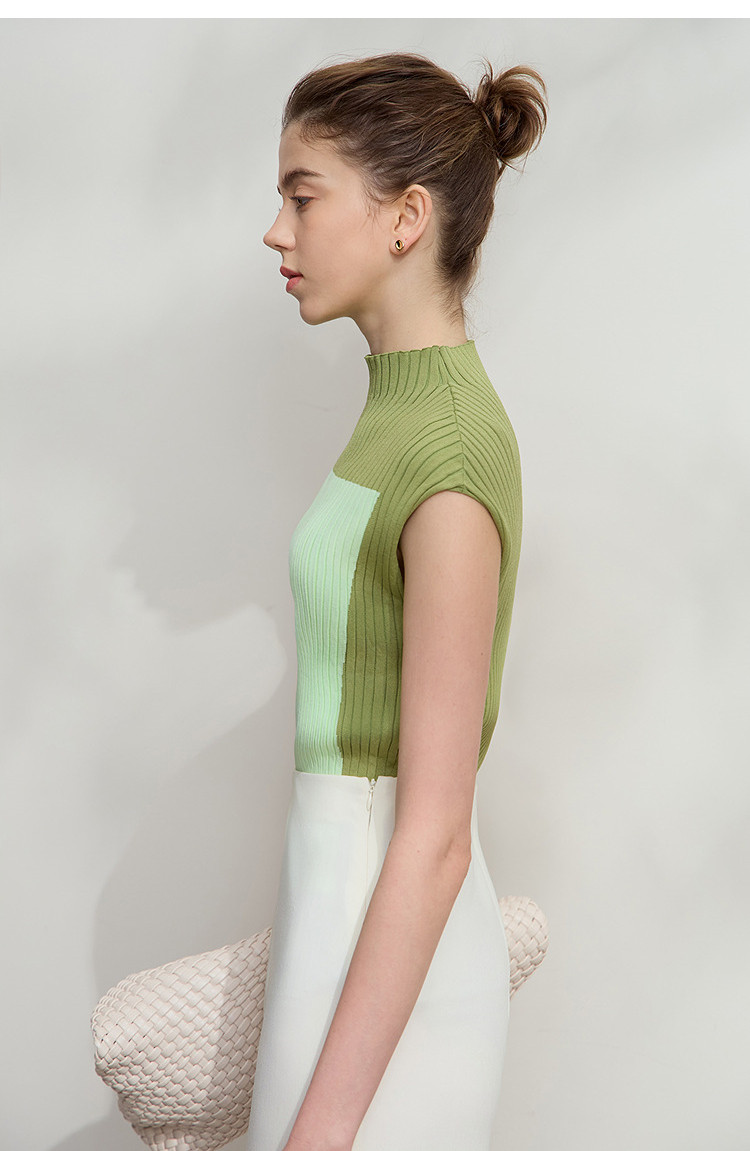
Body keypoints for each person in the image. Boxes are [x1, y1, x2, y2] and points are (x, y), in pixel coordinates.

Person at [245, 51, 547, 1151]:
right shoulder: (397, 412)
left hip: (393, 975)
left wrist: (324, 1127)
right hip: (337, 924)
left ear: (405, 217)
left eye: (303, 195)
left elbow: (434, 835)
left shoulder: (450, 446)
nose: (276, 231)